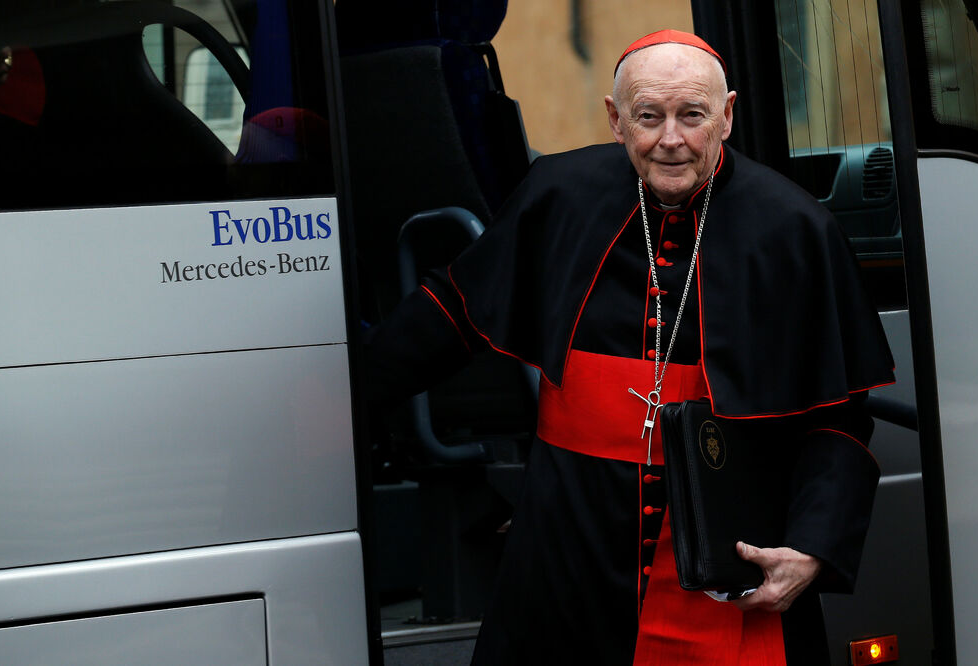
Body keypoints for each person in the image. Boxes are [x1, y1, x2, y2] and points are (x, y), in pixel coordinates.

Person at [365, 29, 895, 665]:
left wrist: (811, 545)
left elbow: (837, 418)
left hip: (719, 556)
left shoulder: (794, 227)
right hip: (567, 550)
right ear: (617, 120)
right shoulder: (559, 193)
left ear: (727, 114)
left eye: (693, 115)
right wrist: (340, 401)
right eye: (649, 116)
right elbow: (455, 311)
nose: (671, 138)